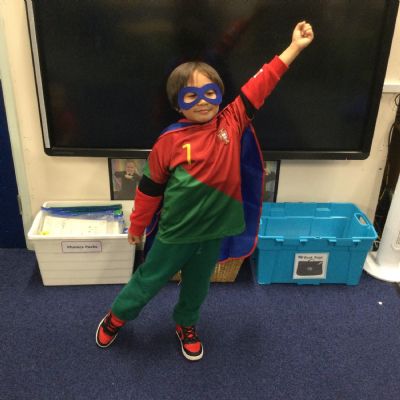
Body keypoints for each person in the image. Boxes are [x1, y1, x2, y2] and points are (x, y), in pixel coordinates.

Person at [96, 21, 314, 361]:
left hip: (212, 233)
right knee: (149, 280)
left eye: (209, 93)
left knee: (197, 288)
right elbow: (149, 189)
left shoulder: (232, 121)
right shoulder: (169, 142)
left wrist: (295, 47)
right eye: (191, 96)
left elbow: (263, 82)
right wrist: (137, 225)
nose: (202, 102)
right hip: (175, 233)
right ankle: (117, 316)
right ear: (177, 104)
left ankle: (186, 324)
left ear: (220, 95)